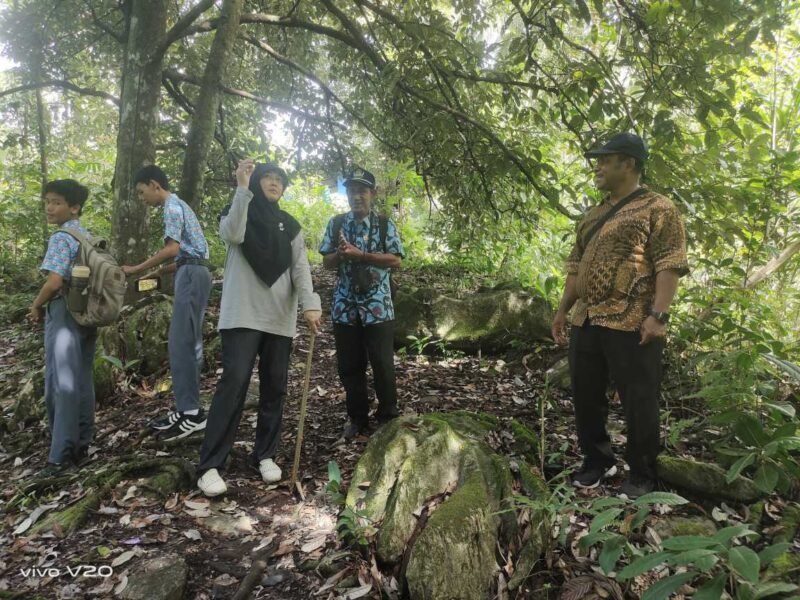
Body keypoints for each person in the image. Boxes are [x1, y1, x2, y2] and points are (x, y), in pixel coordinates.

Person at [551, 133, 689, 498]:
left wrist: (658, 315)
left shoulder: (658, 208)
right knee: (585, 394)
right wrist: (562, 310)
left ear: (627, 163)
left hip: (632, 318)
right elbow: (575, 265)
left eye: (605, 159)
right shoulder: (593, 213)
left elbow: (670, 263)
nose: (597, 166)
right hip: (587, 318)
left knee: (638, 397)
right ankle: (597, 461)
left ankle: (642, 473)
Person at [197, 160, 322, 497]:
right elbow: (232, 233)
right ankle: (210, 465)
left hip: (279, 318)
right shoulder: (238, 210)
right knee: (234, 383)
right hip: (241, 315)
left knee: (274, 387)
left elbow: (301, 269)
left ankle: (265, 454)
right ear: (255, 181)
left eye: (279, 179)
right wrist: (241, 188)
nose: (274, 182)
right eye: (267, 177)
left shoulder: (291, 226)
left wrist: (310, 305)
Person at [121, 165, 212, 441]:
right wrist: (161, 272)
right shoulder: (179, 205)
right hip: (193, 271)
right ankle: (188, 409)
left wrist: (136, 268)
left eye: (141, 192)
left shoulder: (171, 206)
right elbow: (189, 252)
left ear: (154, 185)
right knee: (187, 341)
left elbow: (173, 249)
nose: (141, 198)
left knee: (180, 342)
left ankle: (193, 414)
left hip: (192, 275)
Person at [319, 168, 405, 440]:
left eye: (362, 191)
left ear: (372, 194)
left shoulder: (383, 224)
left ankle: (388, 414)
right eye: (352, 191)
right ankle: (357, 417)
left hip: (378, 306)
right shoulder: (336, 224)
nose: (357, 196)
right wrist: (340, 255)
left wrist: (362, 254)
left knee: (382, 362)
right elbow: (325, 261)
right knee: (349, 365)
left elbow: (396, 260)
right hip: (345, 306)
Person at [29, 179, 97, 475]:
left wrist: (36, 304)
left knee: (62, 381)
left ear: (74, 207)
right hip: (87, 313)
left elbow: (54, 281)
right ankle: (82, 443)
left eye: (56, 202)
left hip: (65, 313)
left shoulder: (61, 237)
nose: (49, 208)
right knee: (82, 378)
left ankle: (60, 456)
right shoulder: (87, 236)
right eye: (46, 202)